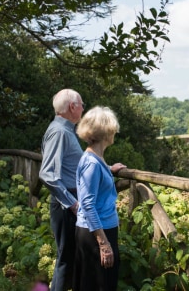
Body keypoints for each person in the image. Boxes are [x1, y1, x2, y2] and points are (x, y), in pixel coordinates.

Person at [73, 106, 126, 291]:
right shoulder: (92, 163)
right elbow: (88, 204)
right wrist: (104, 244)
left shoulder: (96, 160)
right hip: (96, 233)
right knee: (99, 285)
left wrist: (109, 169)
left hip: (95, 230)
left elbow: (94, 179)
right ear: (106, 132)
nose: (114, 134)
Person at [39, 88, 85, 291]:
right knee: (66, 258)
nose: (84, 107)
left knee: (72, 257)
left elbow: (73, 166)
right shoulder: (59, 132)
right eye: (82, 104)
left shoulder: (65, 130)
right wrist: (72, 203)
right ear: (72, 107)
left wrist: (108, 169)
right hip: (67, 203)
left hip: (69, 201)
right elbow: (47, 173)